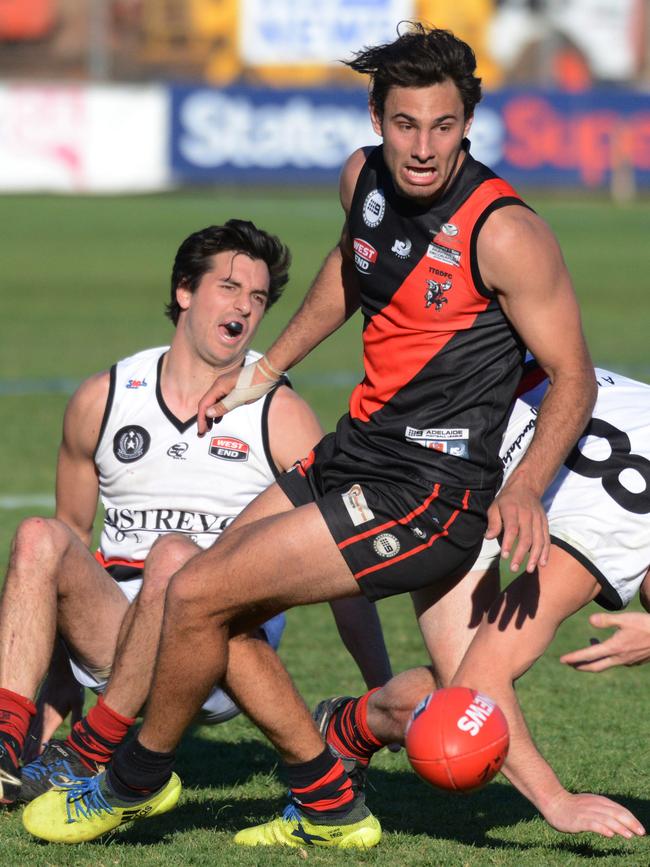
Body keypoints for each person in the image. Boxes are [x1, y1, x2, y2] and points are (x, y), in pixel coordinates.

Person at [22, 25, 596, 848]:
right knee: (192, 576)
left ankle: (126, 780)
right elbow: (350, 268)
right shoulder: (362, 180)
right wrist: (269, 364)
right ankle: (328, 801)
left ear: (469, 123)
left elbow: (572, 374)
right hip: (352, 452)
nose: (423, 147)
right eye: (405, 124)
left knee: (193, 594)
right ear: (375, 116)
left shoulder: (504, 233)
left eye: (443, 126)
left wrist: (523, 485)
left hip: (426, 494)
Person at [0, 219, 393, 807]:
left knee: (175, 557)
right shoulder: (104, 398)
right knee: (38, 536)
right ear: (185, 291)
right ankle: (6, 750)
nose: (245, 307)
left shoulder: (280, 415)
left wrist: (379, 686)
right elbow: (67, 553)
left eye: (258, 298)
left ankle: (89, 752)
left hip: (219, 645)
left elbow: (343, 571)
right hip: (115, 635)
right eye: (229, 288)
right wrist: (59, 690)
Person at [313, 362, 649, 839]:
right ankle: (348, 728)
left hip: (489, 382)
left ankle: (349, 724)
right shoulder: (615, 538)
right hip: (449, 451)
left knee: (463, 698)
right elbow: (479, 680)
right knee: (467, 715)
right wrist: (557, 801)